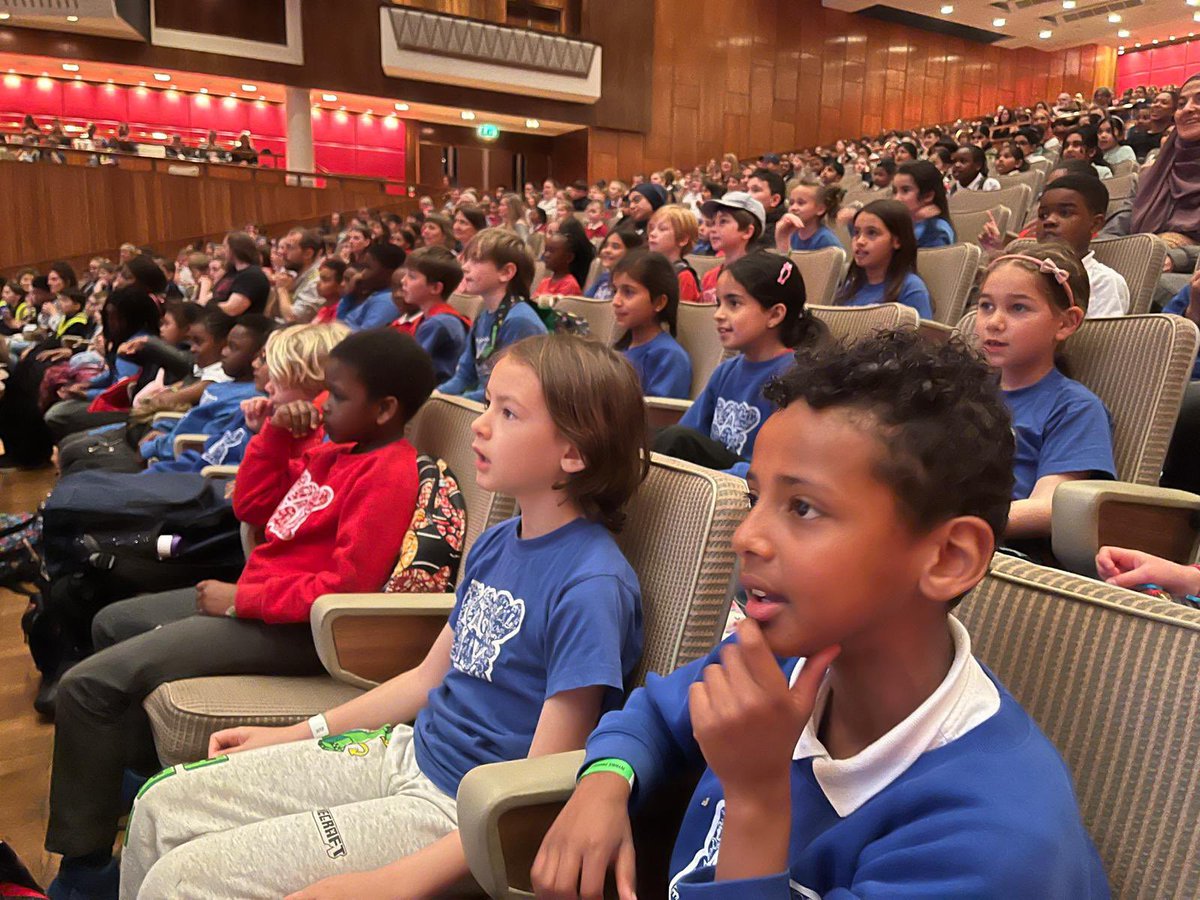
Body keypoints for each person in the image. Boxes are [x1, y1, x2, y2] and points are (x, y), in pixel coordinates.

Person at [533, 329, 1106, 900]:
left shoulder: (994, 841)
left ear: (948, 558)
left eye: (803, 507)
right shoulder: (786, 659)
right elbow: (656, 714)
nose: (745, 537)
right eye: (756, 500)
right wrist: (607, 782)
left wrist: (757, 799)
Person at [119, 333, 648, 899]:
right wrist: (293, 735)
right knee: (159, 806)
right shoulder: (497, 544)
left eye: (508, 412)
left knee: (182, 882)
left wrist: (391, 882)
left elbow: (533, 790)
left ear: (574, 452)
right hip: (403, 750)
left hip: (455, 808)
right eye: (487, 402)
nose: (480, 423)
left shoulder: (592, 585)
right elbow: (428, 678)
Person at [45, 329, 436, 899]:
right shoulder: (338, 448)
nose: (323, 404)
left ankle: (83, 873)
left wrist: (240, 600)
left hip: (303, 632)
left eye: (339, 395)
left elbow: (346, 588)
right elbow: (253, 507)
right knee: (111, 622)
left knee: (86, 685)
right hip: (261, 599)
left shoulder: (387, 473)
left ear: (385, 410)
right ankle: (121, 782)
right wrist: (275, 434)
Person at [975, 244, 1115, 545]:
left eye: (1018, 308)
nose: (994, 322)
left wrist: (953, 527)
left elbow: (1049, 507)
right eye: (986, 305)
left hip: (1003, 549)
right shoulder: (967, 392)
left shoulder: (1075, 408)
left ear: (1065, 323)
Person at [654, 253, 830, 477]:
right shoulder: (726, 370)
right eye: (719, 303)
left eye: (734, 303)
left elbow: (781, 464)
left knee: (675, 439)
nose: (718, 315)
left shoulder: (793, 376)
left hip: (751, 482)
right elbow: (691, 430)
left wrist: (717, 480)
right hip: (710, 481)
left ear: (775, 314)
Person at [437, 228, 548, 402]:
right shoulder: (483, 316)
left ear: (506, 272)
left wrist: (454, 403)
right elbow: (464, 376)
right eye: (466, 260)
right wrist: (435, 396)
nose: (465, 267)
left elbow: (509, 391)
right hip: (484, 406)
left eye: (476, 260)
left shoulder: (519, 321)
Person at [1126, 75, 1200, 270]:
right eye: (1182, 103)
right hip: (1140, 260)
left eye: (1199, 100)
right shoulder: (1154, 173)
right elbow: (1122, 224)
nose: (1188, 109)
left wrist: (1179, 257)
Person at [1035, 175, 1129, 318]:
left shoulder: (1103, 282)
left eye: (1064, 213)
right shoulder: (1024, 271)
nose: (1049, 221)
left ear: (1095, 224)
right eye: (1043, 215)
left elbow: (1097, 339)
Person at [611, 249, 691, 398]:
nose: (616, 301)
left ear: (659, 302)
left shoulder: (669, 357)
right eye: (614, 291)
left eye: (628, 292)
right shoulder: (617, 351)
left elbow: (659, 415)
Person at [836, 200, 933, 318]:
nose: (860, 241)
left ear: (897, 241)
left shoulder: (911, 289)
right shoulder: (850, 287)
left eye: (872, 233)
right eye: (856, 232)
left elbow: (922, 335)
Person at [391, 246, 471, 382]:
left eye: (412, 276)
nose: (403, 281)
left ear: (436, 288)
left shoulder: (437, 323)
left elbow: (407, 369)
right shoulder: (432, 318)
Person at [697, 193, 764, 304]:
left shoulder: (759, 278)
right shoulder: (709, 277)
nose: (713, 229)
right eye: (713, 223)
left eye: (723, 221)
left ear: (747, 232)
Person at [336, 242, 406, 331]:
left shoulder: (386, 301)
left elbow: (362, 340)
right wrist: (350, 295)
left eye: (368, 267)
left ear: (389, 273)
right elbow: (339, 322)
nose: (362, 274)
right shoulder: (374, 294)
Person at [893, 161, 956, 249]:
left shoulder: (936, 231)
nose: (897, 198)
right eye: (895, 191)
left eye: (905, 190)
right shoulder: (906, 224)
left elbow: (924, 261)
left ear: (928, 196)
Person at [646, 205, 702, 303]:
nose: (652, 234)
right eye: (652, 228)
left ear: (682, 239)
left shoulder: (684, 276)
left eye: (662, 229)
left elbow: (682, 315)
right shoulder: (646, 268)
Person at [773, 181, 843, 254]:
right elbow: (783, 263)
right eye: (791, 203)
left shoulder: (827, 241)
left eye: (801, 203)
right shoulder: (791, 233)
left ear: (820, 209)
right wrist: (781, 237)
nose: (793, 208)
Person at [272, 228, 325, 324]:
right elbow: (275, 314)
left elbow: (292, 320)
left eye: (289, 248)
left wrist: (282, 290)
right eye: (284, 247)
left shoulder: (317, 280)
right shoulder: (295, 274)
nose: (283, 252)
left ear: (308, 254)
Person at [212, 231, 270, 316]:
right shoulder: (231, 272)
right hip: (217, 318)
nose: (223, 251)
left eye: (225, 246)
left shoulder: (252, 275)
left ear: (234, 249)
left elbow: (232, 309)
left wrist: (209, 307)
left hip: (237, 322)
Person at [534, 218, 594, 298]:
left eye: (552, 251)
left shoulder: (570, 285)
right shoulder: (544, 282)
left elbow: (558, 308)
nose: (546, 255)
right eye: (546, 250)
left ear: (569, 258)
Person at [586, 230, 642, 301]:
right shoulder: (603, 278)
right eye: (605, 246)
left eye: (615, 247)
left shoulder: (632, 285)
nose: (607, 250)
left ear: (631, 252)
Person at [1126, 90, 1175, 162]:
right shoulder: (1135, 135)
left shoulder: (1172, 137)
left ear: (1174, 111)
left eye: (1164, 103)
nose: (1157, 105)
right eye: (1155, 102)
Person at [745, 168, 786, 249]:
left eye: (755, 190)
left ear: (775, 200)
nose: (747, 195)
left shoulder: (783, 228)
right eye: (746, 190)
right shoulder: (745, 222)